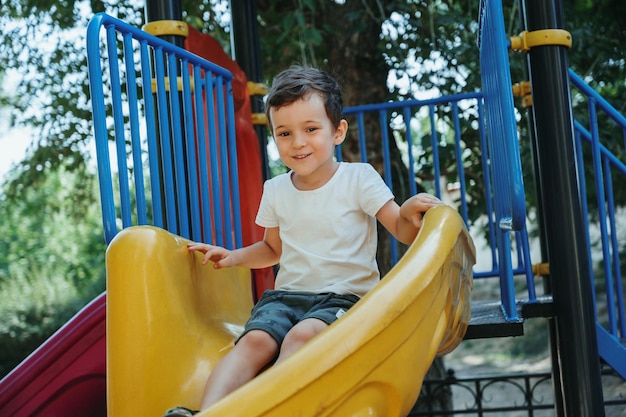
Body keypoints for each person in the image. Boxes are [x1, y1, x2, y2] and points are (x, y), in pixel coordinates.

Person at [163, 65, 444, 417]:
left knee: (301, 336)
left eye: (310, 129)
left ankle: (270, 410)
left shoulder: (358, 178)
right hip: (285, 298)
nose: (297, 143)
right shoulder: (276, 190)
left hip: (345, 299)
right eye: (284, 133)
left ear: (337, 131)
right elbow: (272, 250)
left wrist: (409, 210)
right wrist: (233, 257)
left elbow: (401, 230)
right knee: (253, 342)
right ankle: (206, 414)